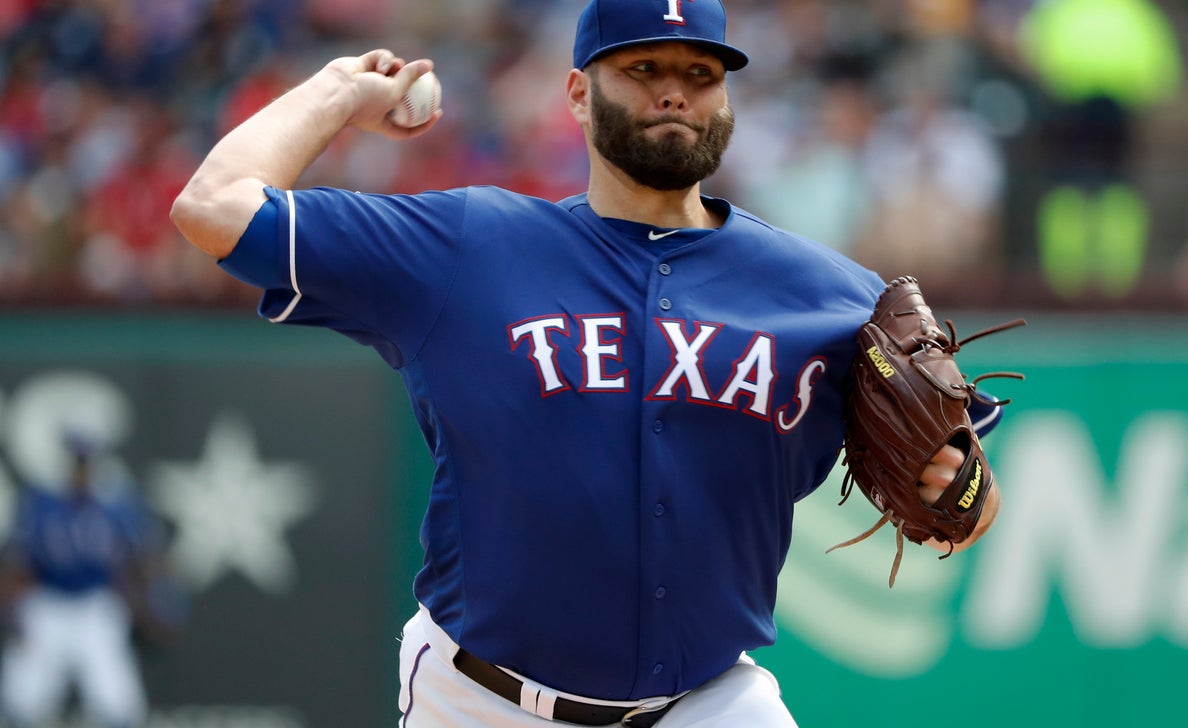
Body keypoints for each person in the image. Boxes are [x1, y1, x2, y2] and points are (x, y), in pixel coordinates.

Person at [170, 0, 1003, 725]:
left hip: (705, 704)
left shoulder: (827, 294)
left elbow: (965, 480)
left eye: (702, 72)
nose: (674, 88)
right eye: (642, 67)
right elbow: (214, 207)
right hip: (481, 702)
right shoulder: (468, 248)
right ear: (577, 92)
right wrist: (342, 92)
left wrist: (968, 489)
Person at [0, 432, 164, 728]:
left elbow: (141, 560)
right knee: (20, 699)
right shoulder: (41, 503)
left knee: (117, 701)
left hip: (95, 604)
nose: (81, 470)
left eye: (86, 462)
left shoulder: (116, 504)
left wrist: (147, 604)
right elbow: (18, 565)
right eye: (76, 462)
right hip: (48, 602)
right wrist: (14, 614)